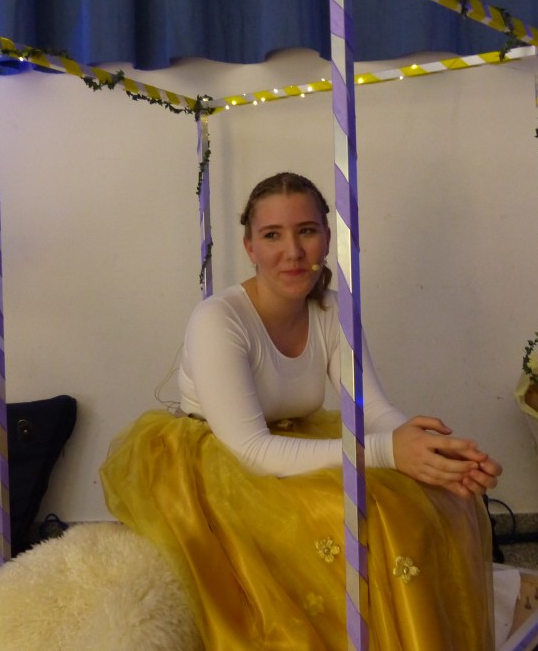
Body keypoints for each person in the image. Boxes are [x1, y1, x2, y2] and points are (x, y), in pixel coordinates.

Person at [102, 172, 502, 650]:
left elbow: (370, 407)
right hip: (223, 460)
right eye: (273, 235)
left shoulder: (334, 310)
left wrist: (430, 449)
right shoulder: (218, 320)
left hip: (293, 442)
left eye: (306, 231)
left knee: (433, 496)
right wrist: (389, 451)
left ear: (326, 238)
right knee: (351, 513)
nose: (292, 251)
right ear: (250, 247)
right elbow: (252, 450)